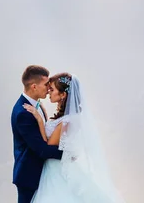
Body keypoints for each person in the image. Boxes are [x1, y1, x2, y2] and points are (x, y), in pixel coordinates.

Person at [23, 72, 125, 203]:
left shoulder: (65, 122)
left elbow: (47, 146)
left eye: (52, 89)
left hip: (55, 168)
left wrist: (40, 121)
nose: (49, 92)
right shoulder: (68, 118)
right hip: (60, 164)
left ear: (63, 95)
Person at [11, 65, 63, 203]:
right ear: (34, 86)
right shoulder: (23, 113)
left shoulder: (36, 105)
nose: (49, 88)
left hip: (44, 172)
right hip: (29, 176)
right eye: (46, 84)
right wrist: (68, 154)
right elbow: (42, 150)